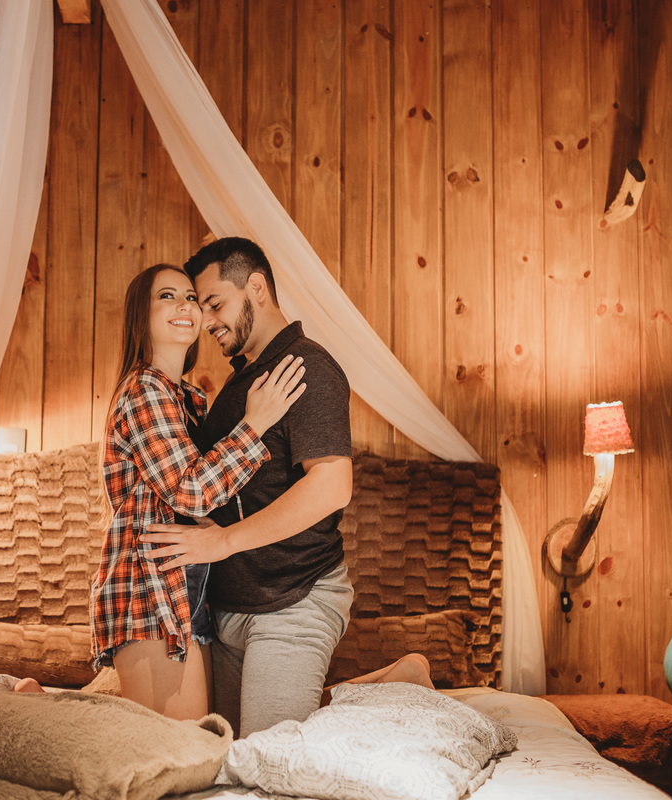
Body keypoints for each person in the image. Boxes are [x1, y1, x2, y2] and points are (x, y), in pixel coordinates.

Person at [143, 237, 432, 738]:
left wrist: (223, 540)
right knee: (224, 749)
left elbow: (331, 486)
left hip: (293, 599)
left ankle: (392, 686)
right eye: (199, 306)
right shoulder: (239, 385)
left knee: (268, 755)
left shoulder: (306, 368)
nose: (207, 320)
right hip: (230, 608)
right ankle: (388, 682)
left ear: (256, 287)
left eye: (215, 304)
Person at [22, 263, 306, 721]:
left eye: (192, 297)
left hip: (188, 591)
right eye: (167, 296)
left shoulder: (186, 399)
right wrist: (256, 424)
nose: (185, 306)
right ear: (142, 316)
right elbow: (189, 489)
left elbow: (180, 496)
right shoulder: (144, 389)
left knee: (209, 736)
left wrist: (212, 528)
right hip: (150, 592)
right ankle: (37, 712)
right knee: (181, 749)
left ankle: (51, 706)